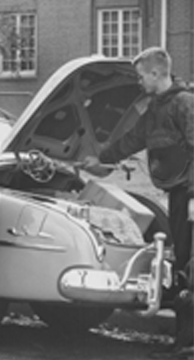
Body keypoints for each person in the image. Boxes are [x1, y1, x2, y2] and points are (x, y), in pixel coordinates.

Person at [82, 47, 194, 359]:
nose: (139, 81)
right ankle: (184, 342)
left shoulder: (184, 103)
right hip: (178, 195)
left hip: (189, 195)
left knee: (191, 267)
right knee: (182, 264)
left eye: (142, 75)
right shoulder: (157, 108)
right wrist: (100, 159)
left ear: (157, 73)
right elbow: (132, 139)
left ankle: (188, 345)